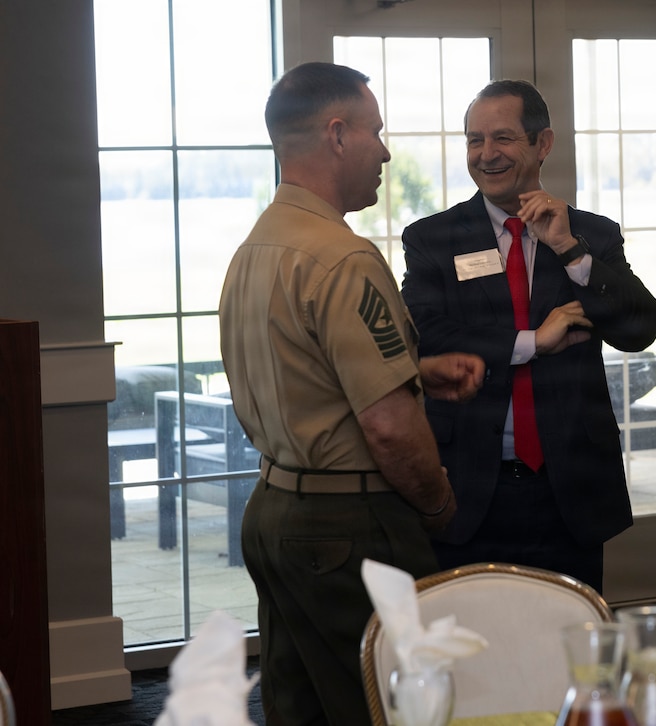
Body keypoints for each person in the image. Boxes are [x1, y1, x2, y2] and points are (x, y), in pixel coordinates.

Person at [219, 62, 484, 725]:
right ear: (337, 135)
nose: (386, 151)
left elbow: (299, 372)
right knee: (392, 706)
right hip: (348, 527)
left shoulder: (256, 247)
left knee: (300, 706)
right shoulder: (343, 258)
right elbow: (389, 428)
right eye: (376, 131)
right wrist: (437, 500)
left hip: (274, 509)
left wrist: (415, 372)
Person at [400, 79, 656, 594]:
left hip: (570, 493)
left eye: (503, 138)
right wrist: (531, 342)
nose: (486, 154)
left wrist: (570, 250)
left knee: (570, 652)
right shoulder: (431, 239)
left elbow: (638, 329)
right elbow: (426, 337)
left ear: (543, 145)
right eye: (475, 140)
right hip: (468, 488)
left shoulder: (594, 236)